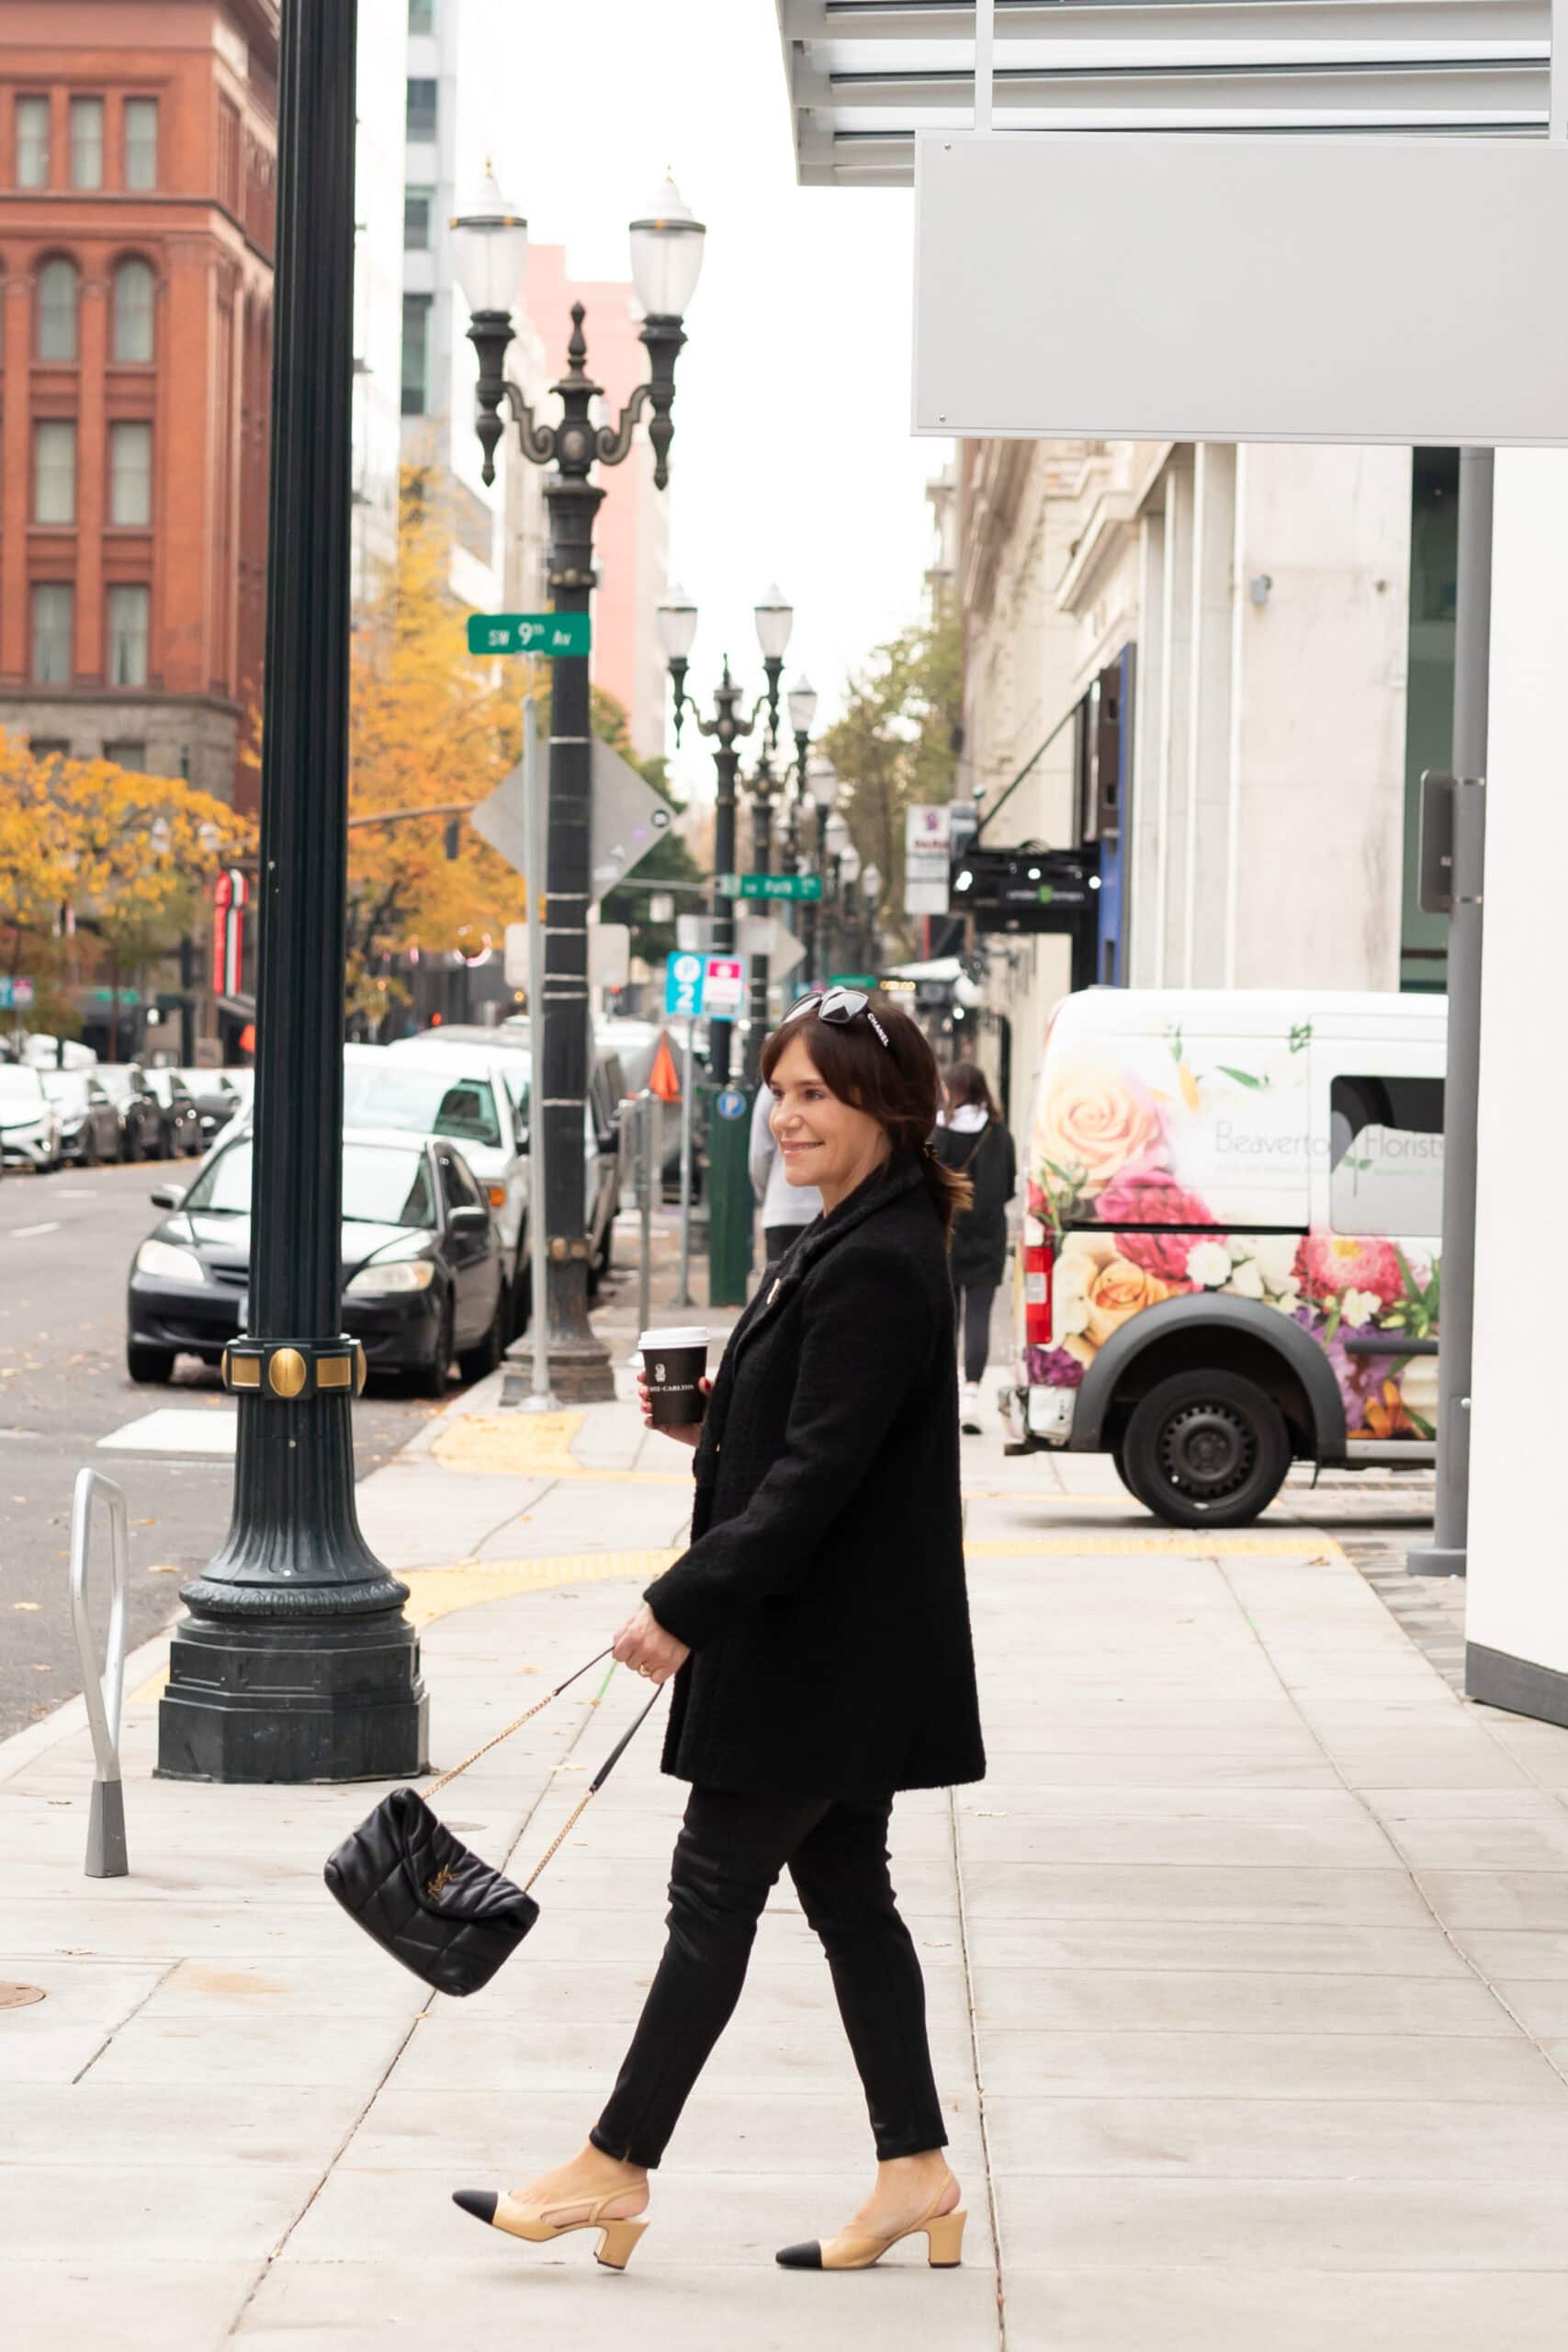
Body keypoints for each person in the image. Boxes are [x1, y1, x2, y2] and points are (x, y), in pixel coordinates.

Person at [453, 985, 986, 2276]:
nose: (785, 1116)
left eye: (815, 1093)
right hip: (838, 1654)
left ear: (884, 1104)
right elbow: (815, 1446)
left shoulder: (874, 1257)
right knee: (852, 1903)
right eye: (780, 1091)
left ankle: (614, 2165)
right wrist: (704, 1428)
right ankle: (914, 2170)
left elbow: (812, 1486)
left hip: (814, 1657)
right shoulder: (856, 1232)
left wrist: (679, 1605)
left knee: (710, 1899)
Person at [931, 1062, 1017, 1436]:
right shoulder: (1000, 1134)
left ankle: (945, 1396)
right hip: (988, 1236)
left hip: (946, 1235)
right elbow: (1008, 1188)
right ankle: (971, 1395)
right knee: (979, 1316)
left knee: (947, 1317)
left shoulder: (940, 1132)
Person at [749, 1069, 820, 1263]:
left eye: (814, 1095)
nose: (783, 1120)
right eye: (779, 1095)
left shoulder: (773, 1081)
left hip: (783, 1209)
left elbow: (759, 1154)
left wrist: (768, 1195)